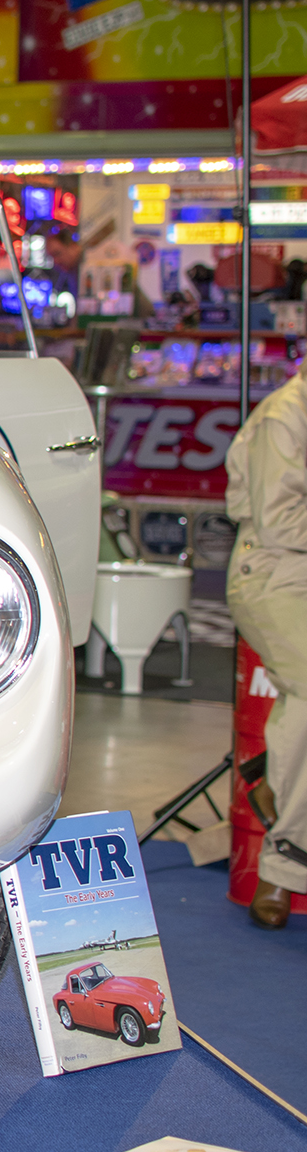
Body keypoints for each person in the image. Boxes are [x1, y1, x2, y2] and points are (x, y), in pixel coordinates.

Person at [225, 370, 307, 928]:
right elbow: (279, 522)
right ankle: (286, 864)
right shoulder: (286, 415)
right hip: (275, 576)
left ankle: (267, 774)